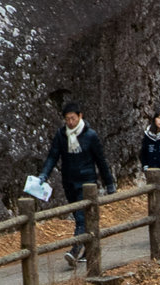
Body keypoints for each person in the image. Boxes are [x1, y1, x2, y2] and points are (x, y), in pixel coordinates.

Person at [40, 100, 115, 265]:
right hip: (69, 181)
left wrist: (109, 183)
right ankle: (89, 250)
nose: (70, 122)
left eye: (73, 118)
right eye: (67, 119)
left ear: (80, 116)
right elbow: (53, 156)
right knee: (81, 218)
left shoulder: (90, 135)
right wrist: (44, 175)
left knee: (82, 219)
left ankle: (74, 251)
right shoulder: (61, 135)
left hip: (87, 182)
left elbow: (100, 161)